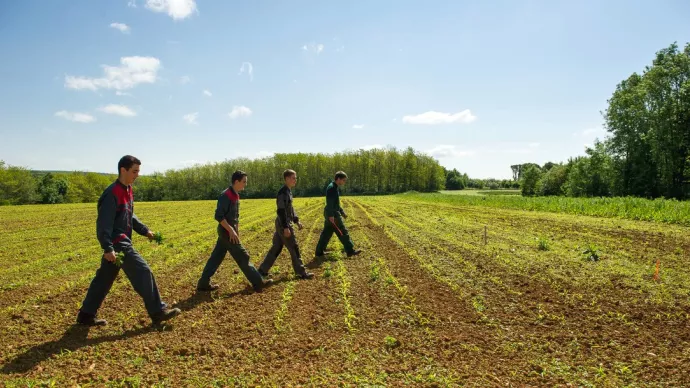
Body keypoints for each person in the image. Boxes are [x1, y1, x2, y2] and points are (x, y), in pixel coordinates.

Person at [77, 155, 181, 326]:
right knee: (143, 272)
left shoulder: (128, 189)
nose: (137, 175)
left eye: (138, 171)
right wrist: (108, 248)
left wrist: (145, 230)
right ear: (123, 170)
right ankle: (158, 311)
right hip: (118, 243)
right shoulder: (111, 193)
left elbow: (129, 216)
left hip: (121, 242)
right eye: (134, 171)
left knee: (103, 280)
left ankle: (86, 314)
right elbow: (103, 224)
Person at [197, 170, 273, 292]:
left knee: (216, 257)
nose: (245, 184)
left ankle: (203, 283)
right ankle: (258, 282)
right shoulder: (226, 195)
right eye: (244, 182)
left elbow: (234, 217)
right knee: (243, 256)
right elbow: (219, 216)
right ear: (236, 181)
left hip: (229, 232)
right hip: (226, 233)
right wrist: (231, 230)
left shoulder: (235, 194)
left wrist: (236, 230)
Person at [258, 169, 314, 279]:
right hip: (283, 223)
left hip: (284, 222)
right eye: (293, 178)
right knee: (294, 247)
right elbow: (281, 211)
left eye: (295, 178)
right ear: (287, 179)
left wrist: (297, 221)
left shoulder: (288, 191)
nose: (295, 180)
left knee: (276, 247)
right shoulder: (282, 193)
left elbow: (290, 208)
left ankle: (262, 270)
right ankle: (301, 272)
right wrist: (286, 227)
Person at [314, 171, 362, 258]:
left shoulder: (334, 187)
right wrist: (331, 215)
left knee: (326, 233)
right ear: (338, 179)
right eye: (343, 180)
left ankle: (319, 252)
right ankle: (350, 251)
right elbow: (330, 203)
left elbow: (336, 203)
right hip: (333, 214)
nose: (344, 182)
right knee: (342, 231)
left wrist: (342, 212)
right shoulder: (332, 188)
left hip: (331, 213)